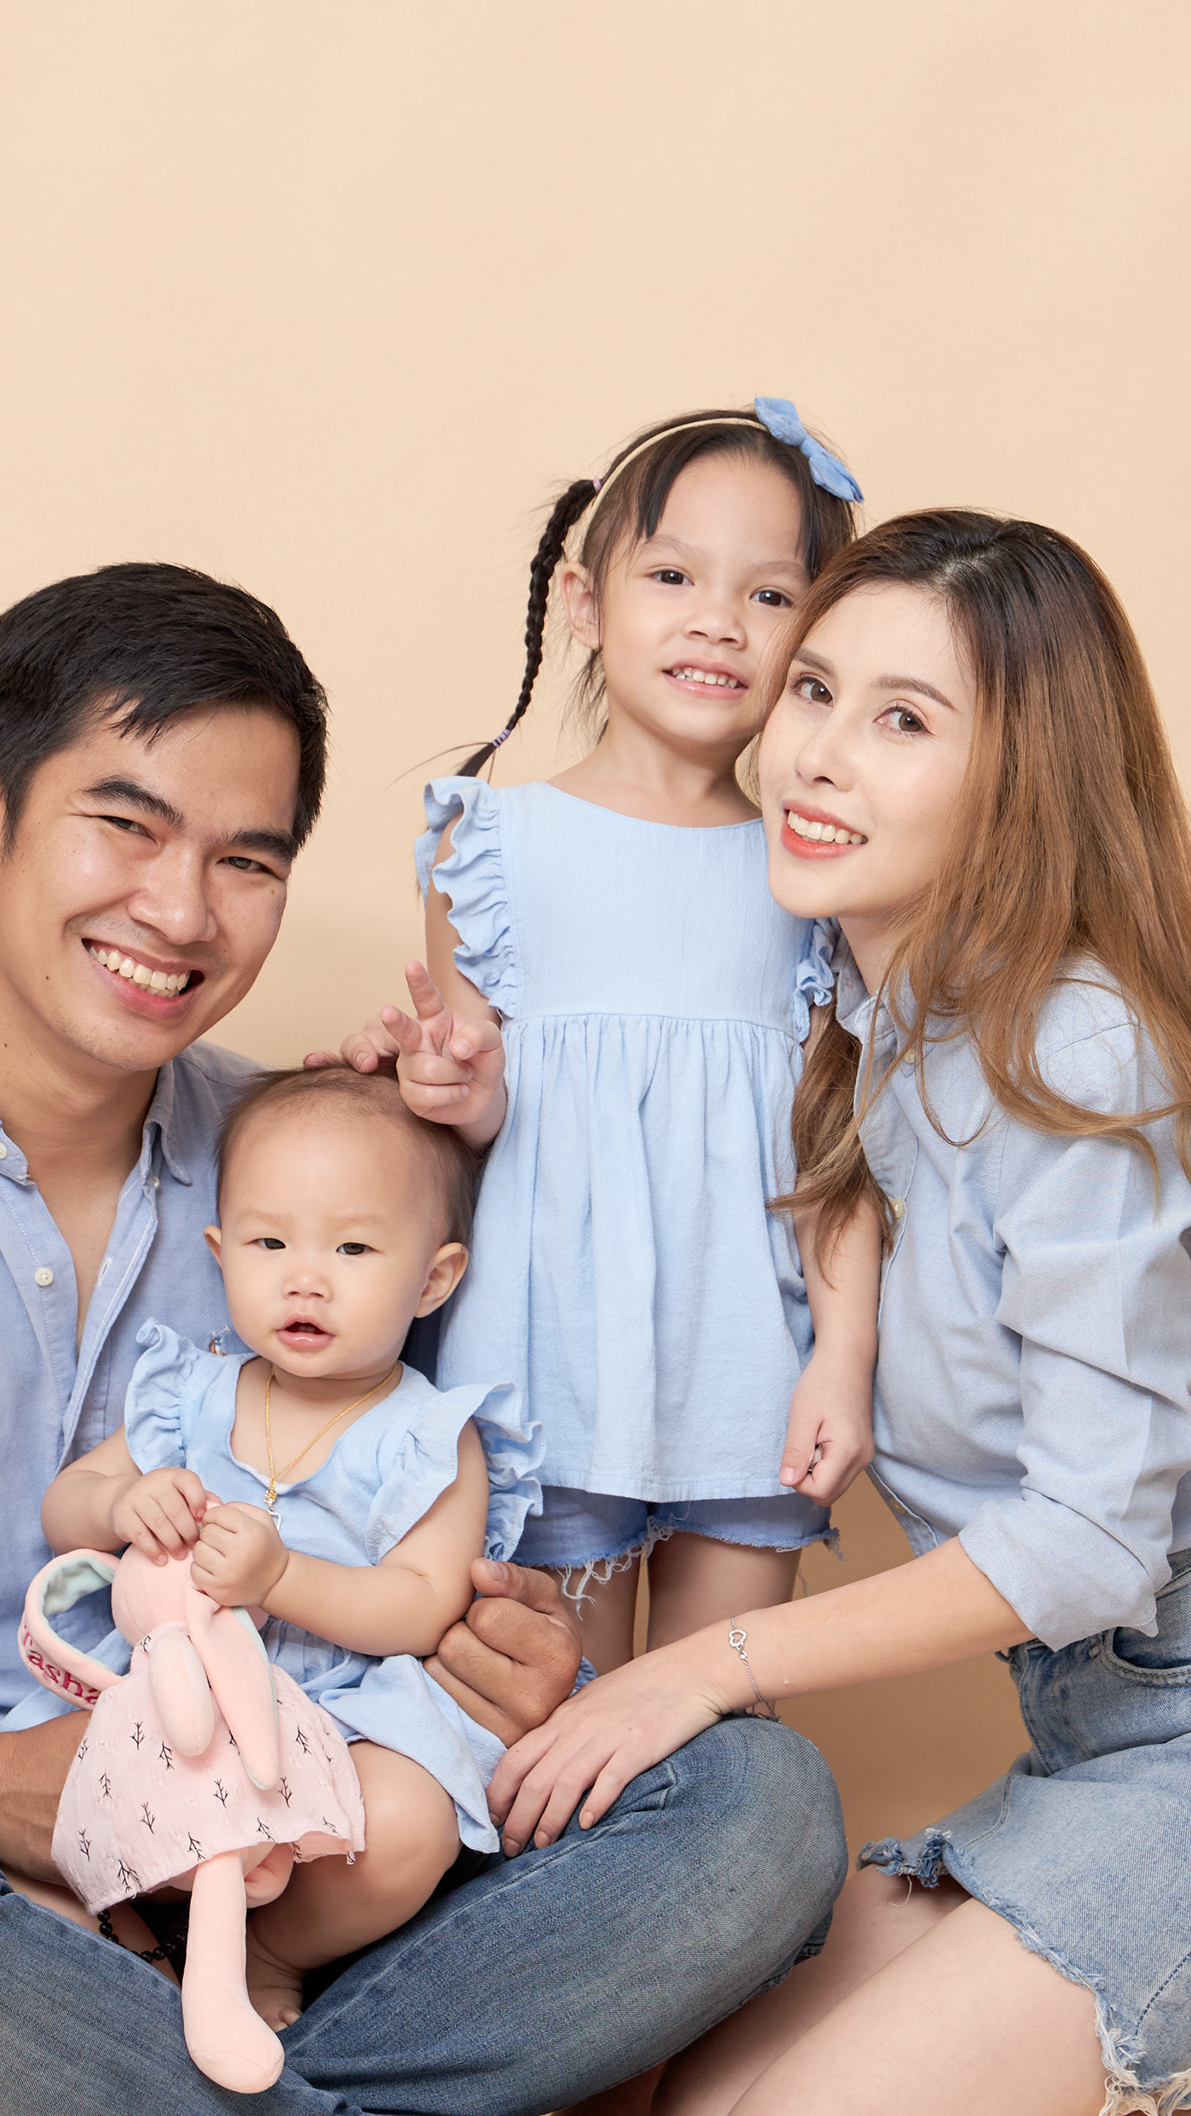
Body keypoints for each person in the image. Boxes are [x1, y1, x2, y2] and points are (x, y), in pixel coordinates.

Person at [0, 562, 845, 2116]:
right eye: (126, 825)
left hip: (291, 1886)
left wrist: (510, 1657)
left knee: (757, 1807)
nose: (182, 910)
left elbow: (442, 1515)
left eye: (248, 860)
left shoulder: (326, 1179)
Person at [486, 511, 1191, 2116]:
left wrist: (701, 1670)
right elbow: (837, 1166)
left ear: (1023, 782)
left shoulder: (1073, 1051)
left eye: (903, 721)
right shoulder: (885, 1018)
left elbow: (1090, 1547)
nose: (814, 753)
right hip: (1101, 1748)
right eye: (813, 691)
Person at [363, 404, 881, 1675]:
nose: (719, 622)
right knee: (559, 1726)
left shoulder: (816, 865)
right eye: (673, 577)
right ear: (585, 601)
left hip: (745, 1370)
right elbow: (473, 1118)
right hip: (549, 1362)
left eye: (770, 595)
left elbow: (833, 1148)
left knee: (720, 1736)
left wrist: (844, 1357)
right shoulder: (491, 844)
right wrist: (454, 1088)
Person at [42, 1059, 544, 2035]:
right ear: (221, 1252)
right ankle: (143, 1931)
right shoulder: (190, 1393)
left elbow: (423, 1604)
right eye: (269, 1242)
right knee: (68, 1792)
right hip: (179, 1689)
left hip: (345, 1707)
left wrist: (284, 1577)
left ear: (434, 1278)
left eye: (353, 1247)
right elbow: (65, 1506)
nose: (304, 1277)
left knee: (409, 1826)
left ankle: (272, 1950)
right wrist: (125, 1502)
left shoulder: (430, 1438)